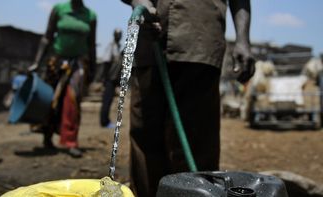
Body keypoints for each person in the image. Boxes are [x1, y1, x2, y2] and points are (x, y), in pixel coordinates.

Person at [121, 0, 255, 196]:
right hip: (150, 42)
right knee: (146, 137)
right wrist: (140, 2)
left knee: (197, 142)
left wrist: (243, 40)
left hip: (200, 42)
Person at [28, 0, 97, 158]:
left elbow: (91, 44)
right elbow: (47, 37)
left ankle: (71, 142)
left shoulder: (91, 16)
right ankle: (47, 136)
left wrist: (92, 69)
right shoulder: (59, 9)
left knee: (72, 100)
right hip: (56, 61)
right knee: (50, 99)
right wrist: (36, 62)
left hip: (78, 62)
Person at [100, 28, 123, 128]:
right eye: (117, 34)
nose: (119, 36)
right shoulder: (111, 47)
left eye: (120, 34)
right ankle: (104, 121)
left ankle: (106, 120)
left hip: (114, 79)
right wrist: (105, 78)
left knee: (109, 101)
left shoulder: (118, 47)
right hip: (109, 79)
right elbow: (106, 63)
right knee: (106, 101)